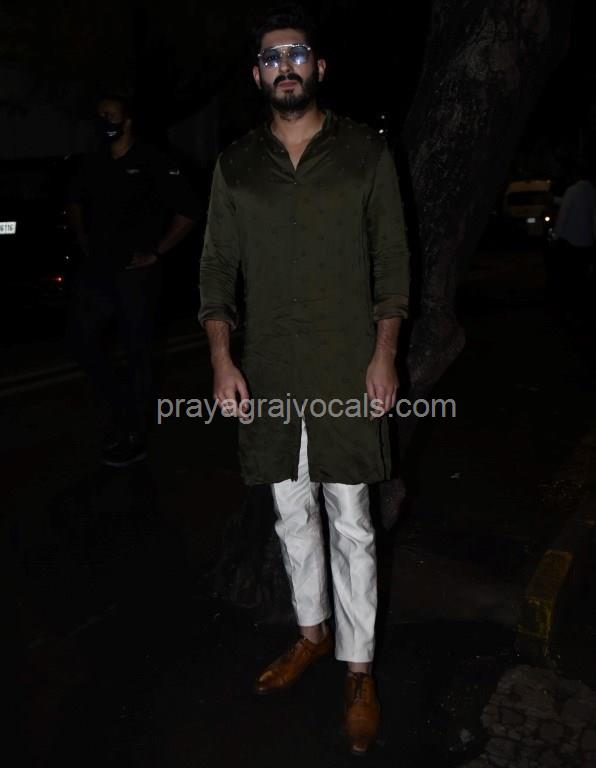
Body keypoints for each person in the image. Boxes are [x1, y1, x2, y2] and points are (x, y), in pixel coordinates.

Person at [199, 5, 410, 755]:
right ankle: (312, 633)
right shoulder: (236, 165)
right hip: (270, 372)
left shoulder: (364, 154)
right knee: (291, 515)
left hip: (346, 367)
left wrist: (385, 353)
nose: (284, 66)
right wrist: (222, 359)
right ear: (258, 76)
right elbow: (217, 267)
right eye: (270, 57)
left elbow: (392, 260)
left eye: (296, 53)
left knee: (351, 519)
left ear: (318, 67)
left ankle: (359, 669)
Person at [67, 93, 197, 467]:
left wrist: (157, 252)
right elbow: (74, 200)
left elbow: (188, 212)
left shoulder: (153, 161)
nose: (103, 121)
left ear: (127, 120)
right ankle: (123, 409)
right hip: (97, 272)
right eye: (99, 115)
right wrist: (82, 237)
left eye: (110, 115)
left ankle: (135, 434)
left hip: (137, 277)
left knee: (137, 353)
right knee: (81, 342)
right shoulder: (93, 162)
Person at [548, 166, 596, 324]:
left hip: (571, 242)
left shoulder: (572, 191)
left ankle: (570, 311)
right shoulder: (592, 192)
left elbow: (563, 215)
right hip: (587, 242)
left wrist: (556, 236)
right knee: (582, 278)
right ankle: (581, 310)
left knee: (570, 278)